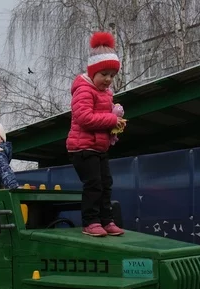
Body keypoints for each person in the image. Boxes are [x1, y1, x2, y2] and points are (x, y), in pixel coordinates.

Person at [66, 31, 127, 237]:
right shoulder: (84, 90)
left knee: (106, 184)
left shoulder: (105, 93)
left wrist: (114, 126)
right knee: (93, 184)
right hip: (82, 148)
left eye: (112, 75)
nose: (109, 80)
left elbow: (102, 118)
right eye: (104, 75)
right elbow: (84, 117)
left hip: (99, 146)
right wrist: (111, 120)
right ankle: (90, 222)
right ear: (93, 72)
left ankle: (106, 220)